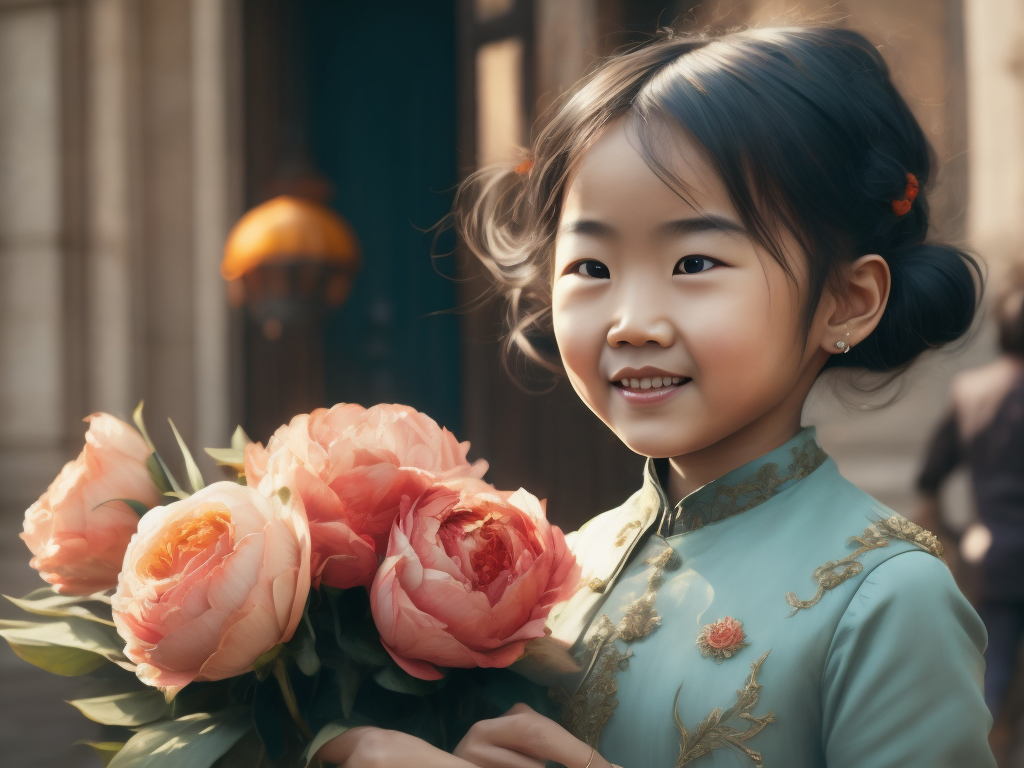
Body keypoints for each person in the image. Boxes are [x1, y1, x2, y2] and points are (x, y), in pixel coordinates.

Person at [320, 25, 995, 768]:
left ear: (846, 301)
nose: (631, 323)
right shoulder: (558, 566)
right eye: (591, 266)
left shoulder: (891, 600)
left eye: (694, 261)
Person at [917, 267, 1024, 736]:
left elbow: (930, 476)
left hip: (994, 551)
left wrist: (954, 532)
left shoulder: (973, 392)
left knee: (992, 670)